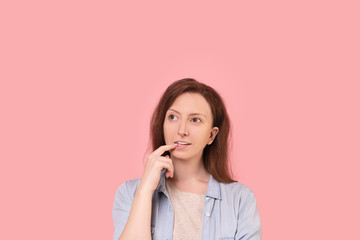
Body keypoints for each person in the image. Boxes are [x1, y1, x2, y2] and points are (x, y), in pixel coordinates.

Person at [112, 78, 261, 240]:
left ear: (211, 135)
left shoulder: (240, 200)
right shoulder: (130, 193)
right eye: (173, 117)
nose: (182, 130)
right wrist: (146, 190)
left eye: (195, 120)